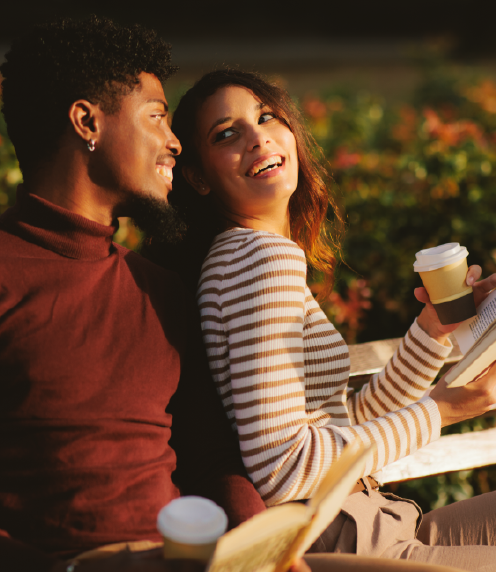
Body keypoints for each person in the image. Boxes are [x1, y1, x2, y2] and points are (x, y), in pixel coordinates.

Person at [145, 68, 496, 571]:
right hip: (337, 541)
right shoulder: (260, 260)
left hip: (366, 521)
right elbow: (284, 469)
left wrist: (431, 333)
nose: (258, 137)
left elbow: (336, 424)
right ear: (198, 176)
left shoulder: (243, 256)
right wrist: (442, 411)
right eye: (227, 134)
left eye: (266, 116)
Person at [0, 18, 269, 572]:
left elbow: (210, 461)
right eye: (156, 115)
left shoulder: (158, 290)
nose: (173, 141)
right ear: (86, 122)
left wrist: (267, 546)